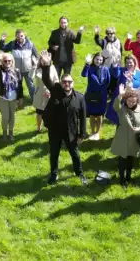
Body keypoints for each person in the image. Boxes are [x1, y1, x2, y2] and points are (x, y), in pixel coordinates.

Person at [40, 51, 88, 186]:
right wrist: (46, 65)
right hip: (55, 130)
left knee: (75, 154)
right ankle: (53, 175)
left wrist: (82, 134)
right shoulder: (55, 90)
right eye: (64, 82)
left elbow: (83, 117)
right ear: (61, 83)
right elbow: (46, 80)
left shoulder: (79, 98)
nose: (66, 84)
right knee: (54, 154)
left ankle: (79, 173)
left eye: (69, 82)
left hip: (71, 131)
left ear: (73, 83)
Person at [110, 86, 140, 189]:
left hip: (134, 139)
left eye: (133, 102)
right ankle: (122, 180)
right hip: (122, 138)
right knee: (122, 160)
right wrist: (120, 95)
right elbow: (115, 106)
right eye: (129, 101)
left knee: (131, 159)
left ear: (137, 101)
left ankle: (128, 177)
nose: (131, 104)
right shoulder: (122, 108)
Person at [0, 53, 24, 142]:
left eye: (9, 61)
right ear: (2, 62)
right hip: (3, 97)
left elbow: (20, 85)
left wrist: (20, 98)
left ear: (12, 61)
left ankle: (11, 132)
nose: (7, 62)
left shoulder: (16, 71)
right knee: (5, 116)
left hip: (13, 97)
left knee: (12, 116)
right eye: (5, 61)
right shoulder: (0, 71)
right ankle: (5, 132)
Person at [0, 29, 39, 100]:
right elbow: (3, 48)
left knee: (31, 85)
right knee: (17, 86)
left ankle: (34, 99)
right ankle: (18, 99)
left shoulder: (30, 44)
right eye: (18, 36)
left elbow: (36, 55)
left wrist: (35, 63)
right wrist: (2, 41)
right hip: (16, 71)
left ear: (24, 35)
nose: (20, 37)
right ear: (15, 36)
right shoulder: (12, 44)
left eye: (21, 36)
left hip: (28, 70)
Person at [106, 55, 140, 125]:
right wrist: (114, 65)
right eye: (127, 63)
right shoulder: (122, 70)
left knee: (134, 117)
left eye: (130, 62)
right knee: (121, 117)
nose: (129, 64)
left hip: (135, 98)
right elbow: (115, 74)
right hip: (123, 97)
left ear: (135, 63)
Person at [81, 53, 111, 140]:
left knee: (99, 115)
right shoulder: (90, 68)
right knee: (92, 114)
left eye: (100, 60)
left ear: (103, 61)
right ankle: (92, 132)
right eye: (97, 59)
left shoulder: (105, 69)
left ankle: (97, 132)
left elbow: (108, 81)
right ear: (94, 59)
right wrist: (87, 64)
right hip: (91, 94)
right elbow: (84, 74)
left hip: (102, 95)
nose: (99, 61)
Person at [33, 50, 59, 133]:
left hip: (50, 93)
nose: (44, 61)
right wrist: (34, 66)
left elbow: (56, 80)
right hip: (40, 94)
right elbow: (31, 76)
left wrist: (51, 91)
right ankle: (38, 127)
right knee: (39, 112)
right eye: (42, 59)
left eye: (46, 60)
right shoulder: (37, 68)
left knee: (51, 111)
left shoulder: (52, 68)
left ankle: (50, 126)